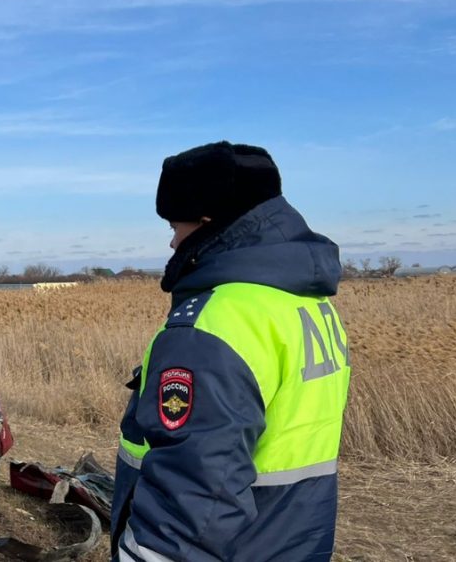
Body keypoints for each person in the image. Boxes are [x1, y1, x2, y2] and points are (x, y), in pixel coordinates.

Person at [110, 141, 351, 561]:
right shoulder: (309, 304)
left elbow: (193, 499)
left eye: (175, 227)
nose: (171, 244)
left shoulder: (213, 325)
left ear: (208, 223)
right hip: (292, 539)